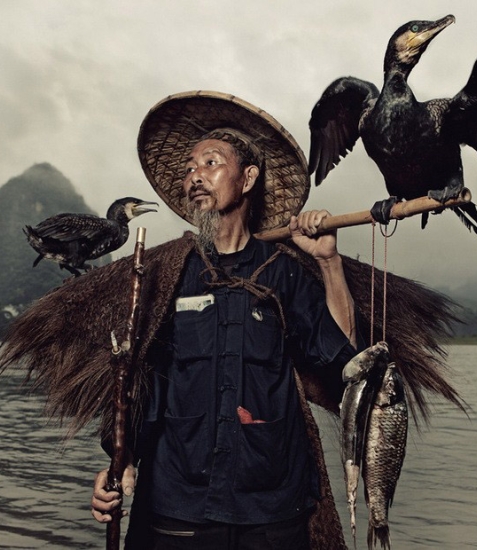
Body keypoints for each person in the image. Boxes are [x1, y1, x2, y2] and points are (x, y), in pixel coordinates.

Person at [89, 91, 361, 549]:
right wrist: (120, 463)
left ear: (248, 177)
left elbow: (343, 364)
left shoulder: (284, 272)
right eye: (190, 168)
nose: (195, 176)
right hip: (177, 506)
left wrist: (330, 263)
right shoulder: (167, 273)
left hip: (272, 510)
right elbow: (139, 384)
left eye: (211, 163)